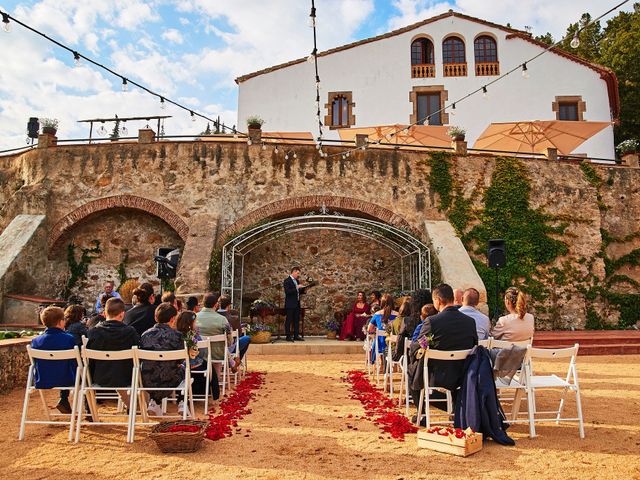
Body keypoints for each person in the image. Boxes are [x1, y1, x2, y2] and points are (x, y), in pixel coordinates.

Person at [409, 284, 478, 422]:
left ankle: (421, 414)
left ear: (438, 300)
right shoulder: (470, 322)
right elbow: (474, 345)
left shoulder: (432, 321)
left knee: (411, 368)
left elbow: (417, 345)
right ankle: (456, 408)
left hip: (436, 375)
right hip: (462, 374)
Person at [140, 302, 185, 417]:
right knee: (183, 368)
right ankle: (182, 402)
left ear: (155, 318)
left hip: (147, 381)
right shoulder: (177, 336)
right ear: (173, 319)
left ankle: (154, 402)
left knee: (154, 367)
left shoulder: (145, 335)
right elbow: (180, 360)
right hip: (170, 380)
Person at [86, 298, 140, 393]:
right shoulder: (131, 332)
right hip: (126, 378)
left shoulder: (94, 332)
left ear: (105, 313)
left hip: (100, 378)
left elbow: (89, 360)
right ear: (122, 314)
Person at [31, 306, 77, 414]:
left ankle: (64, 400)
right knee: (72, 368)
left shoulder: (36, 341)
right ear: (61, 322)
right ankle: (66, 400)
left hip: (42, 379)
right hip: (67, 379)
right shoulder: (69, 339)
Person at [176, 310, 220, 401]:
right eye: (195, 322)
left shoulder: (175, 335)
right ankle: (212, 394)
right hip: (195, 365)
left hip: (179, 366)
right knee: (208, 365)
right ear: (191, 323)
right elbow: (203, 352)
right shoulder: (194, 335)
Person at [196, 292, 234, 370]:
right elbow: (230, 341)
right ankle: (217, 379)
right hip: (218, 355)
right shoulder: (223, 320)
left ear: (203, 303)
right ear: (216, 305)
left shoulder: (194, 317)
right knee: (218, 353)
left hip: (198, 354)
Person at [218, 294, 250, 361]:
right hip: (229, 349)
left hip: (214, 349)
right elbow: (239, 334)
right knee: (247, 338)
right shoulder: (233, 319)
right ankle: (236, 361)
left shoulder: (214, 316)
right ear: (229, 305)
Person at [368, 293, 399, 361]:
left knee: (378, 338)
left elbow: (369, 329)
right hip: (393, 343)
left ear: (382, 303)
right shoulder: (397, 315)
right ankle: (394, 364)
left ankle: (381, 362)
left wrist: (376, 331)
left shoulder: (377, 314)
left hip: (381, 343)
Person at [283, 266, 307, 342]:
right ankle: (288, 336)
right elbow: (287, 292)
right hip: (290, 304)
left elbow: (298, 292)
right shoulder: (287, 281)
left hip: (297, 303)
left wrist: (304, 290)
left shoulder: (297, 280)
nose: (298, 275)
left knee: (297, 320)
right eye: (297, 273)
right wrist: (296, 287)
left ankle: (296, 336)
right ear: (293, 272)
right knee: (289, 320)